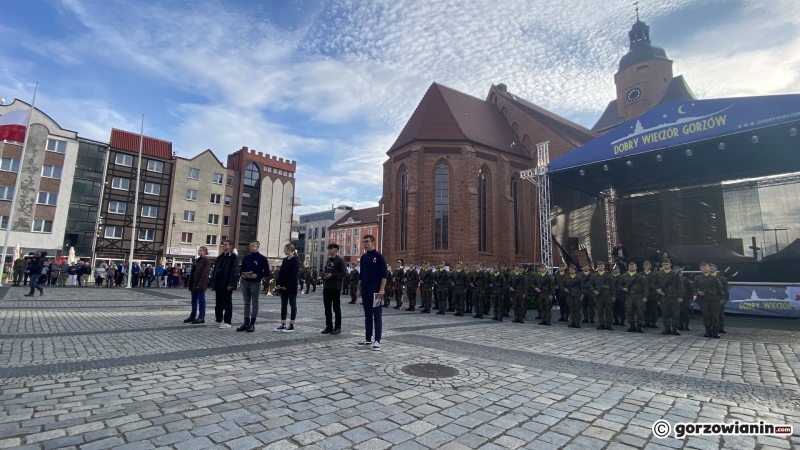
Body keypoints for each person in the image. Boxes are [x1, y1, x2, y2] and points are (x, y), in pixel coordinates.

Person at [356, 234, 387, 350]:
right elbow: (361, 274)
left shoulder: (379, 257)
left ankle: (377, 340)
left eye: (367, 242)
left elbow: (384, 275)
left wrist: (382, 289)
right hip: (365, 287)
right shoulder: (363, 257)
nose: (364, 244)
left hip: (375, 288)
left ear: (373, 242)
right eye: (363, 242)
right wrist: (358, 288)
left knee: (377, 315)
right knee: (367, 314)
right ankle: (368, 338)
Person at [237, 241, 270, 333]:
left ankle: (252, 323)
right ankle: (246, 322)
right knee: (246, 303)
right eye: (250, 246)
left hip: (255, 282)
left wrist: (257, 275)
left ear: (258, 247)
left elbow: (267, 272)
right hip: (246, 281)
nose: (251, 247)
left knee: (254, 302)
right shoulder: (246, 258)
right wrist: (242, 275)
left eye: (253, 246)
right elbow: (242, 269)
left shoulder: (262, 258)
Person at [210, 241, 238, 328]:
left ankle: (227, 321)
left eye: (226, 245)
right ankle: (218, 319)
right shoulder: (220, 257)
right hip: (218, 283)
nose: (224, 246)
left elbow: (234, 271)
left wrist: (231, 283)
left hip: (227, 283)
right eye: (223, 244)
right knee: (218, 302)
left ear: (230, 246)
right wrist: (213, 283)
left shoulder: (233, 257)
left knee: (227, 302)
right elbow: (215, 271)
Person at [693, 262, 725, 338]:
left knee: (715, 315)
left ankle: (715, 332)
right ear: (700, 269)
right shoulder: (697, 278)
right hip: (704, 299)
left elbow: (720, 289)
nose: (704, 269)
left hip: (715, 298)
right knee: (706, 315)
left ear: (708, 268)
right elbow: (692, 287)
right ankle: (707, 331)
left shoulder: (715, 278)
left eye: (706, 267)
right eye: (703, 267)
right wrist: (698, 292)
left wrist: (722, 298)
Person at [321, 243, 347, 335]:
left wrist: (332, 275)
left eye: (331, 249)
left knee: (336, 308)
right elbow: (325, 270)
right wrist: (324, 275)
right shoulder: (328, 260)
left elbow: (344, 273)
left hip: (335, 287)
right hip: (327, 286)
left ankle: (337, 327)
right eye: (328, 249)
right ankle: (329, 326)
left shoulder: (340, 260)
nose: (329, 251)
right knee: (327, 308)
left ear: (336, 250)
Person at [274, 244, 300, 332]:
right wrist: (278, 283)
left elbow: (294, 275)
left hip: (291, 286)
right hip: (282, 286)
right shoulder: (285, 260)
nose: (284, 251)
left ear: (290, 250)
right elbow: (281, 273)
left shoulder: (295, 260)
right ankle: (283, 323)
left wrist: (287, 286)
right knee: (283, 305)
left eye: (285, 249)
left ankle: (291, 324)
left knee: (292, 305)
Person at [655, 260, 683, 336]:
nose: (665, 266)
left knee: (675, 314)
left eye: (667, 264)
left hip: (674, 296)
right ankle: (666, 328)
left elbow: (680, 286)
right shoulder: (658, 274)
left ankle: (675, 329)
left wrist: (680, 296)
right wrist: (657, 290)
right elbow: (653, 283)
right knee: (665, 313)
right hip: (664, 296)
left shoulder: (675, 274)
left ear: (670, 265)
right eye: (664, 264)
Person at [185, 246, 212, 325]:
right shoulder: (196, 260)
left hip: (200, 284)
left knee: (201, 301)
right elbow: (192, 273)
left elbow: (205, 274)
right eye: (198, 250)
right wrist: (189, 282)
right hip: (194, 283)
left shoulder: (206, 261)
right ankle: (192, 316)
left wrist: (200, 284)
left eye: (200, 250)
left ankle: (201, 317)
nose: (199, 252)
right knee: (193, 301)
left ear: (204, 251)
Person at [619, 262, 647, 333]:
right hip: (629, 296)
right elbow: (619, 285)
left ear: (636, 267)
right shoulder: (624, 276)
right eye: (630, 266)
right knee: (629, 311)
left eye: (633, 266)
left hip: (639, 297)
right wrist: (623, 288)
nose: (631, 267)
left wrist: (645, 296)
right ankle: (632, 325)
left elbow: (645, 287)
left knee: (640, 312)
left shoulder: (640, 276)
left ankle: (639, 326)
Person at [590, 262, 615, 330]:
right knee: (600, 311)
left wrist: (613, 296)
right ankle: (601, 324)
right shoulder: (594, 276)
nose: (600, 267)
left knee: (609, 311)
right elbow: (591, 285)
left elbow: (613, 286)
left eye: (601, 266)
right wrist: (594, 291)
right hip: (599, 297)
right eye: (599, 266)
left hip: (608, 296)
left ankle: (608, 324)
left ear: (604, 267)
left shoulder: (608, 275)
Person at [709, 264, 729, 334]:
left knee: (720, 314)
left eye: (711, 268)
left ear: (716, 269)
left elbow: (725, 289)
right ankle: (712, 328)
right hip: (709, 299)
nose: (710, 269)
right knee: (710, 314)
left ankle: (721, 327)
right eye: (709, 268)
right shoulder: (706, 278)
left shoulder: (722, 278)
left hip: (719, 298)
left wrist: (725, 298)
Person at [676, 266, 693, 331]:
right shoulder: (673, 279)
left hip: (685, 297)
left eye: (678, 271)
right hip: (676, 296)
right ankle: (680, 324)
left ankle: (686, 324)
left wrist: (691, 298)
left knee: (685, 312)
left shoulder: (685, 279)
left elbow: (690, 289)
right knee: (678, 312)